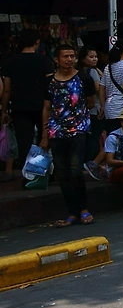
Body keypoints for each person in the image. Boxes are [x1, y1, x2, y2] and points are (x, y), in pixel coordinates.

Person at [40, 42, 95, 226]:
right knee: (62, 173)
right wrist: (45, 135)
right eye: (65, 56)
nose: (69, 59)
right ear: (57, 59)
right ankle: (72, 212)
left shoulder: (84, 78)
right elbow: (46, 108)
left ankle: (83, 209)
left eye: (72, 56)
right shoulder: (49, 82)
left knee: (75, 170)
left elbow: (90, 102)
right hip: (56, 132)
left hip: (78, 129)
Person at [3, 29, 53, 170]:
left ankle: (28, 173)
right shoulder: (44, 61)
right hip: (42, 106)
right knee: (45, 139)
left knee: (24, 142)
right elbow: (51, 86)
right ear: (37, 42)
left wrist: (4, 110)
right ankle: (45, 171)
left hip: (20, 106)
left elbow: (7, 89)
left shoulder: (11, 61)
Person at [76, 46, 104, 167]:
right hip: (94, 110)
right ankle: (89, 163)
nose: (94, 59)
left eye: (96, 57)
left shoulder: (77, 72)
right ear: (83, 59)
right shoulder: (92, 72)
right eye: (91, 57)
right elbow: (98, 89)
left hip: (82, 111)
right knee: (94, 138)